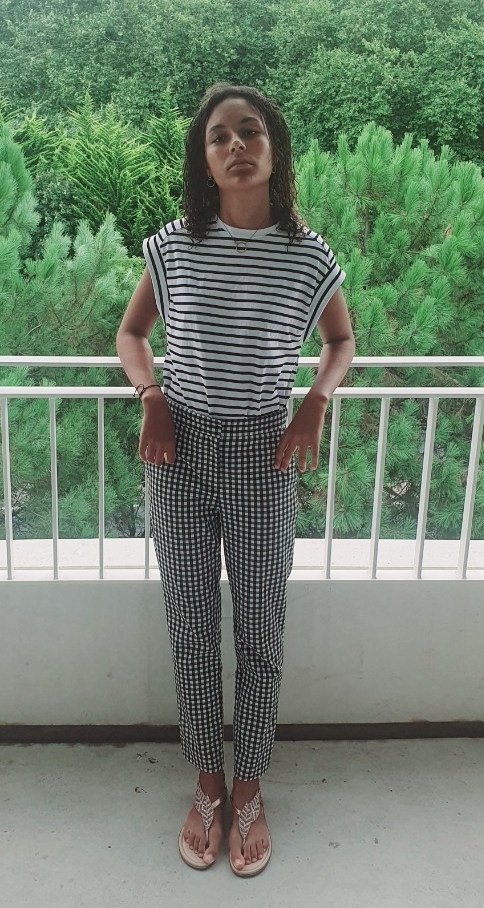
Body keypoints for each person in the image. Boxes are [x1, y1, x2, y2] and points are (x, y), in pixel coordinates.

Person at [116, 83, 355, 877]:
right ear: (205, 159)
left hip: (263, 452)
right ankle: (207, 783)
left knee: (259, 629)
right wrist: (151, 396)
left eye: (251, 131)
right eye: (219, 137)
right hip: (177, 452)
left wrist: (314, 402)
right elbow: (131, 333)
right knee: (189, 628)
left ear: (275, 148)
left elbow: (342, 341)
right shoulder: (173, 246)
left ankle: (249, 784)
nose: (236, 146)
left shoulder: (308, 255)